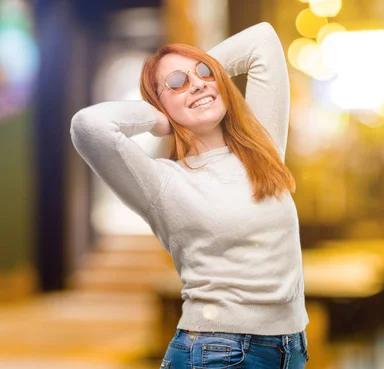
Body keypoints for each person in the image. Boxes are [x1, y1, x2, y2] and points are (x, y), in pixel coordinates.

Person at [70, 22, 309, 369]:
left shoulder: (263, 150)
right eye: (177, 83)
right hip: (218, 351)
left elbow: (263, 40)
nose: (196, 83)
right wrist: (156, 116)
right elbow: (88, 126)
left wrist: (200, 78)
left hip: (291, 348)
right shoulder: (162, 182)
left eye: (203, 73)